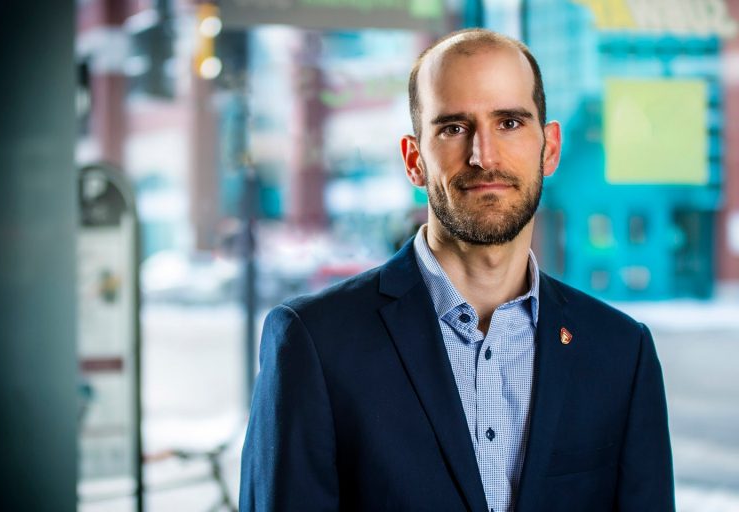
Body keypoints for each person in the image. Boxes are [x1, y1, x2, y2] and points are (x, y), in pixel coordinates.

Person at [240, 28, 674, 511]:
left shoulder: (620, 351)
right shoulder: (315, 342)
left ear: (549, 149)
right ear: (414, 160)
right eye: (452, 128)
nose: (483, 156)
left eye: (509, 123)